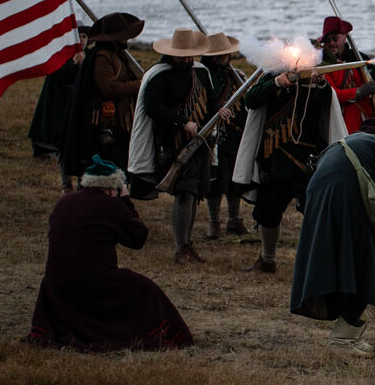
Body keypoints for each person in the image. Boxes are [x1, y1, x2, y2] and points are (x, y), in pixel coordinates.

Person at [27, 155, 193, 352]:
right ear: (111, 188)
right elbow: (138, 238)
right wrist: (126, 201)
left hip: (56, 286)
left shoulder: (64, 202)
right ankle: (163, 334)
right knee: (144, 289)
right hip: (93, 284)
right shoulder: (110, 204)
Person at [289, 118, 375, 358]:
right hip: (345, 197)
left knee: (343, 262)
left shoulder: (340, 143)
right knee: (366, 267)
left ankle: (348, 335)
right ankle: (342, 339)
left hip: (317, 197)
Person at [232, 52, 347, 273]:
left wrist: (318, 83)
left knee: (315, 214)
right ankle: (267, 259)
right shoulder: (273, 77)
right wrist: (278, 82)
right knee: (267, 213)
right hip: (274, 160)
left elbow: (325, 100)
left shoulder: (315, 82)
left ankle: (319, 265)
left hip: (307, 162)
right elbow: (251, 99)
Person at [128, 28, 229, 264]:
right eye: (181, 56)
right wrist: (182, 122)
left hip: (200, 142)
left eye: (188, 56)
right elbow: (152, 107)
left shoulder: (200, 74)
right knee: (184, 192)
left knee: (194, 193)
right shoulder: (159, 77)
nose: (186, 60)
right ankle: (180, 247)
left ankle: (187, 244)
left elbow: (210, 102)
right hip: (172, 143)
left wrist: (219, 112)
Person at [60, 12, 144, 193]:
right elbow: (109, 88)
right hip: (103, 127)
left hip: (119, 125)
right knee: (100, 174)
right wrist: (140, 84)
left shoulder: (117, 55)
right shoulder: (102, 57)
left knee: (117, 172)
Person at [317, 16, 375, 153]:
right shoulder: (323, 65)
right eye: (327, 40)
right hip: (342, 125)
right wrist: (358, 92)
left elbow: (374, 83)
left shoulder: (358, 58)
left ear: (344, 37)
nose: (331, 43)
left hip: (368, 121)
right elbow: (331, 93)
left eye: (335, 38)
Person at [200, 32, 250, 239]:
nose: (225, 57)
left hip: (234, 132)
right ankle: (214, 223)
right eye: (221, 54)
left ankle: (233, 218)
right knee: (215, 181)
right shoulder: (203, 75)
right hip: (214, 134)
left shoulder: (235, 74)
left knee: (234, 178)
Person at [28, 24, 90, 160]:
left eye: (84, 36)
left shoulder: (90, 55)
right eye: (78, 36)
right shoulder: (63, 53)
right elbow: (57, 75)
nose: (81, 39)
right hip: (59, 98)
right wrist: (73, 64)